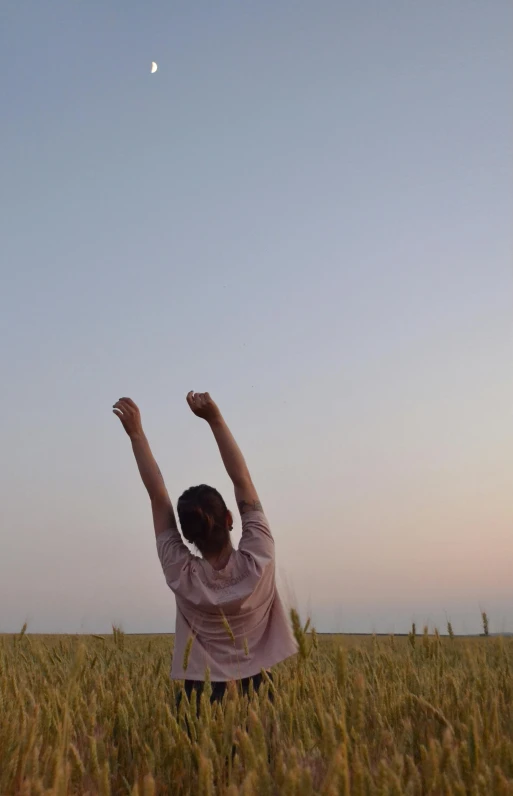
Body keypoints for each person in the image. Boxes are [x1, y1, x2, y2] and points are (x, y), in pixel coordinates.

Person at [113, 392, 297, 704]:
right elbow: (243, 481)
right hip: (259, 690)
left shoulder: (180, 571)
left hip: (198, 694)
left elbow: (158, 497)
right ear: (229, 518)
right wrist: (215, 420)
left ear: (185, 535)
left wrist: (136, 433)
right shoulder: (259, 558)